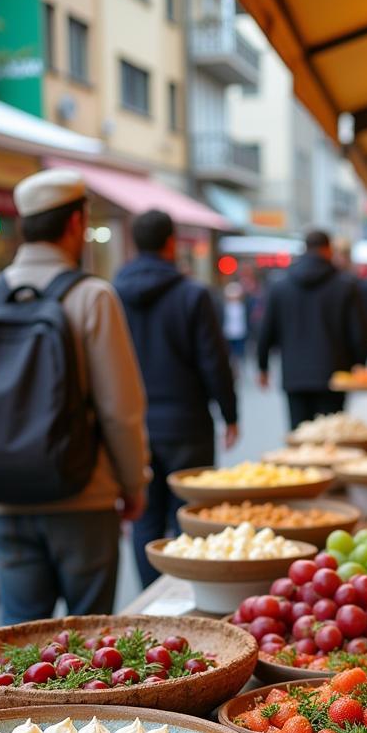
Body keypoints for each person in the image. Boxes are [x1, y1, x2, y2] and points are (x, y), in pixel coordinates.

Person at [0, 168, 148, 624]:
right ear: (77, 223)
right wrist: (133, 483)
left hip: (4, 502)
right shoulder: (92, 297)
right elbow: (120, 410)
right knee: (89, 643)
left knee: (23, 645)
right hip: (84, 495)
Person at [113, 209, 238, 588]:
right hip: (188, 424)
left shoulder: (113, 294)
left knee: (146, 521)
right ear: (171, 242)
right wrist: (230, 413)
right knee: (191, 516)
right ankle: (188, 596)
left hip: (134, 428)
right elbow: (213, 361)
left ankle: (151, 602)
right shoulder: (192, 295)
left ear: (134, 242)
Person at [257, 229, 367, 429]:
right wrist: (359, 364)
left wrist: (263, 366)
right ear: (328, 250)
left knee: (301, 439)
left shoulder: (280, 286)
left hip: (295, 375)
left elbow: (266, 329)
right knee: (333, 438)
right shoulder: (345, 285)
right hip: (334, 375)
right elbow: (360, 332)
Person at [220, 280, 249, 364]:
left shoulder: (243, 306)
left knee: (240, 354)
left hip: (240, 333)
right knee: (230, 354)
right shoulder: (225, 306)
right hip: (228, 333)